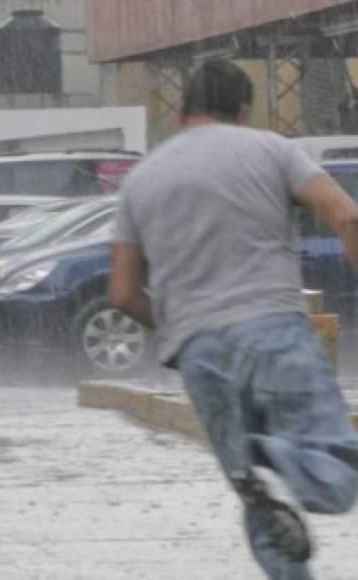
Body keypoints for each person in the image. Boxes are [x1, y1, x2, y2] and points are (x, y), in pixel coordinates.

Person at [110, 59, 358, 579]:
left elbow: (124, 294)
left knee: (260, 505)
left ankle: (255, 465)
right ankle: (275, 453)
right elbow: (346, 214)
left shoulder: (140, 180)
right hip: (274, 332)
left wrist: (182, 327)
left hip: (199, 355)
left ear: (181, 112)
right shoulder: (272, 150)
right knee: (335, 471)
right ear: (243, 110)